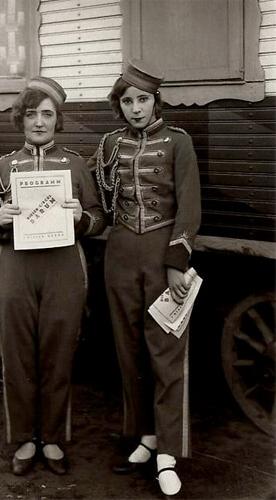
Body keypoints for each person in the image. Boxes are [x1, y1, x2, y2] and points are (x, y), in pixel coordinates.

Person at [0, 77, 105, 477]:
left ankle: (51, 439)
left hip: (64, 266)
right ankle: (24, 440)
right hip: (14, 266)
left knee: (58, 352)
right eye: (31, 113)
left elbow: (100, 217)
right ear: (21, 119)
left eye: (47, 114)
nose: (39, 121)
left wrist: (83, 218)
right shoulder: (2, 167)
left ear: (57, 119)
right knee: (17, 356)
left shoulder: (75, 164)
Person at [88, 59, 201, 496]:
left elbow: (189, 208)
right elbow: (98, 199)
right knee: (129, 351)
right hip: (119, 255)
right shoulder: (109, 144)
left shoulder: (179, 143)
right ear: (119, 105)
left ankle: (169, 454)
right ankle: (146, 437)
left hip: (161, 257)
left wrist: (176, 260)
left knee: (166, 354)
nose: (135, 108)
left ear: (156, 101)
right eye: (127, 101)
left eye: (142, 100)